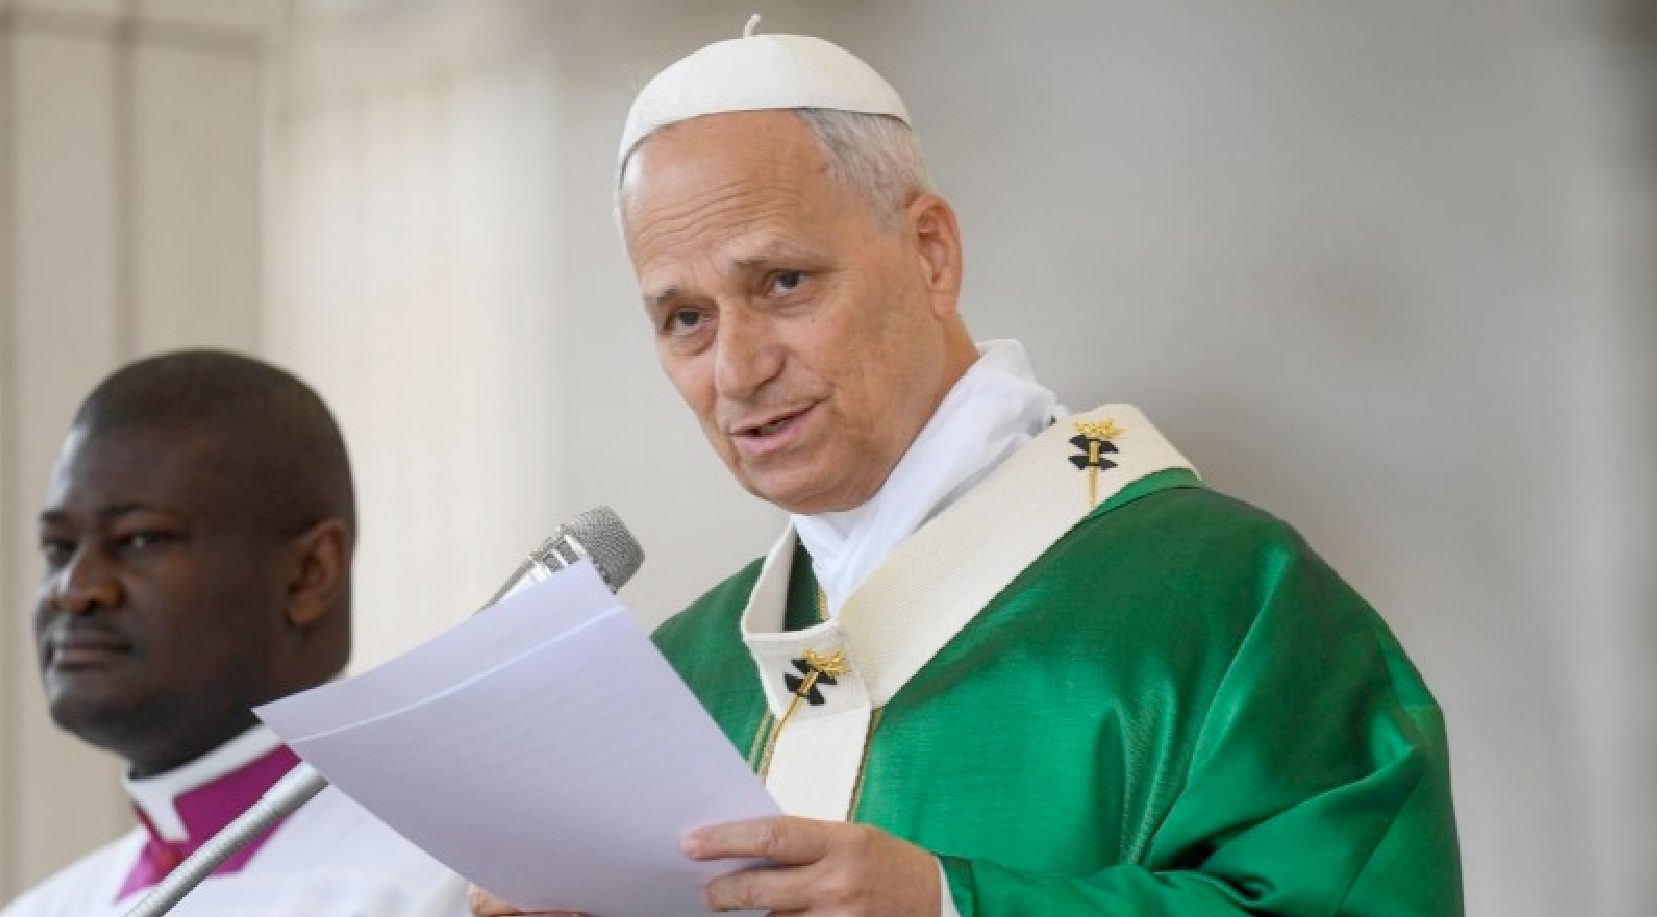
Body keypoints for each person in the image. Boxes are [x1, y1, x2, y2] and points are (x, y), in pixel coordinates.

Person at [472, 26, 1462, 917]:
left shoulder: (1226, 599)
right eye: (685, 318)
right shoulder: (686, 676)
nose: (736, 369)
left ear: (930, 254)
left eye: (782, 281)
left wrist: (948, 906)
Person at [4, 350, 466, 917]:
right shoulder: (49, 908)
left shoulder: (452, 883)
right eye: (58, 548)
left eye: (140, 539)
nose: (76, 590)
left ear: (308, 574)